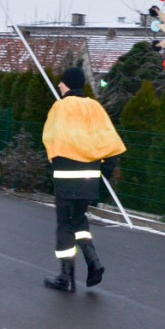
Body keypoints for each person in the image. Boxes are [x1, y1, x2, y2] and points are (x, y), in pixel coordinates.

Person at [41, 67, 126, 292]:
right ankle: (93, 262)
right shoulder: (95, 107)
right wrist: (103, 174)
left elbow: (49, 139)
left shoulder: (60, 107)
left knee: (64, 225)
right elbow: (111, 144)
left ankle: (65, 277)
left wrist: (55, 164)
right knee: (79, 221)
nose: (58, 85)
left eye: (61, 82)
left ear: (67, 83)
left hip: (67, 177)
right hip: (89, 178)